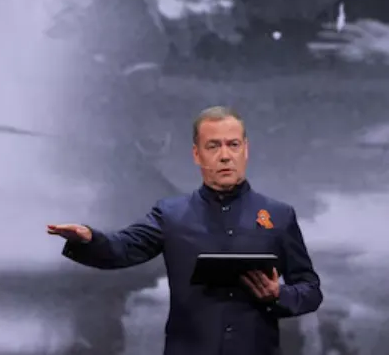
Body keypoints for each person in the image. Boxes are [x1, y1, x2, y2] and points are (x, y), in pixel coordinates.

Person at [47, 105, 322, 355]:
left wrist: (279, 295)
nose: (225, 156)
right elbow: (123, 248)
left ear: (245, 150)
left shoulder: (279, 215)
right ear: (197, 154)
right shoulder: (171, 214)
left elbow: (310, 290)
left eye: (233, 145)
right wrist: (88, 239)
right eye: (213, 146)